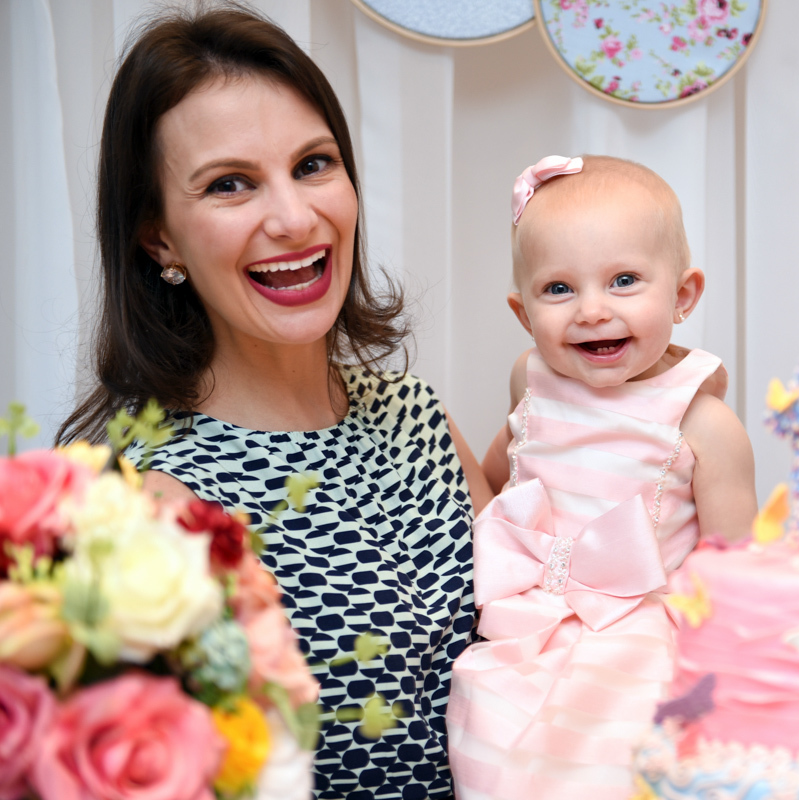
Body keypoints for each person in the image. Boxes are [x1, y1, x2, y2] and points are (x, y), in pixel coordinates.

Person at [56, 7, 490, 798]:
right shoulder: (150, 501)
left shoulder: (419, 417)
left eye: (314, 164)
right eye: (231, 184)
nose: (294, 219)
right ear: (158, 239)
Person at [446, 155, 758, 798]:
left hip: (638, 644)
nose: (591, 310)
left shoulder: (703, 424)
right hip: (524, 633)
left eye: (623, 281)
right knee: (489, 748)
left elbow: (736, 574)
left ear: (683, 296)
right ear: (523, 312)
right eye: (558, 289)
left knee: (614, 768)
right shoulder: (530, 379)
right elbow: (504, 481)